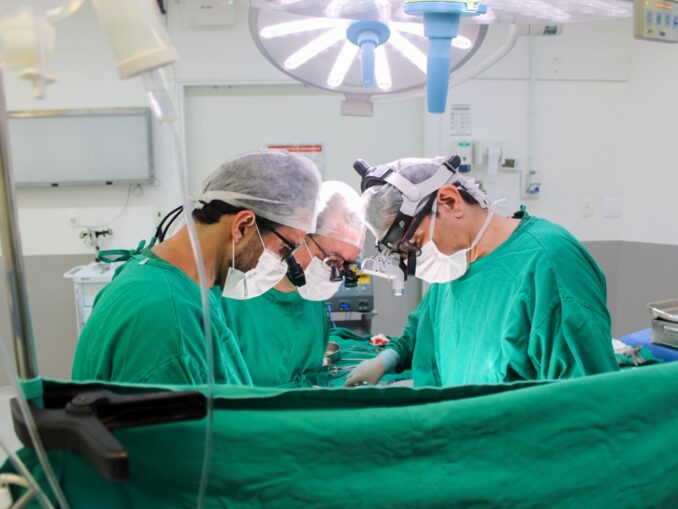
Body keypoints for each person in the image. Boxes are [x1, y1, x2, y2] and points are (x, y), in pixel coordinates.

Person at [346, 156, 619, 387]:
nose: (415, 261)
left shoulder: (550, 263)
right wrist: (387, 359)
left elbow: (589, 397)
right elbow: (422, 329)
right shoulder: (451, 265)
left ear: (450, 201)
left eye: (414, 244)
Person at [72, 149, 322, 385]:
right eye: (284, 249)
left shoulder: (165, 280)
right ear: (242, 226)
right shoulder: (167, 318)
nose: (282, 265)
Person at [222, 181, 365, 387]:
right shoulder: (236, 295)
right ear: (298, 238)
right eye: (331, 261)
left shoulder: (311, 301)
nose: (335, 275)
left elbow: (312, 373)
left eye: (346, 266)